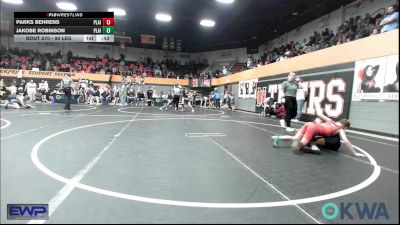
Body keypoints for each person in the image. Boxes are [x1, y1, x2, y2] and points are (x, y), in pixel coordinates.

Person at [271, 113, 366, 157]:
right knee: (301, 144)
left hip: (309, 124)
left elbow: (320, 114)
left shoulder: (331, 121)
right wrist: (355, 153)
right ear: (345, 127)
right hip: (313, 128)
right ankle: (297, 146)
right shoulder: (340, 130)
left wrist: (319, 120)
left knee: (295, 137)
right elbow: (346, 141)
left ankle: (277, 138)